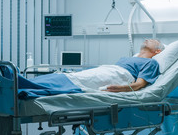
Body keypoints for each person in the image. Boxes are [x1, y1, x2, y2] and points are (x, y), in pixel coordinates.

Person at [13, 39, 164, 99]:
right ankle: (15, 83)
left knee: (67, 80)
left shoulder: (151, 63)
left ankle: (15, 84)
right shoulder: (127, 58)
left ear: (157, 51)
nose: (147, 39)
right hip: (107, 70)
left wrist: (120, 89)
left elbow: (139, 85)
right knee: (62, 77)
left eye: (153, 41)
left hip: (117, 76)